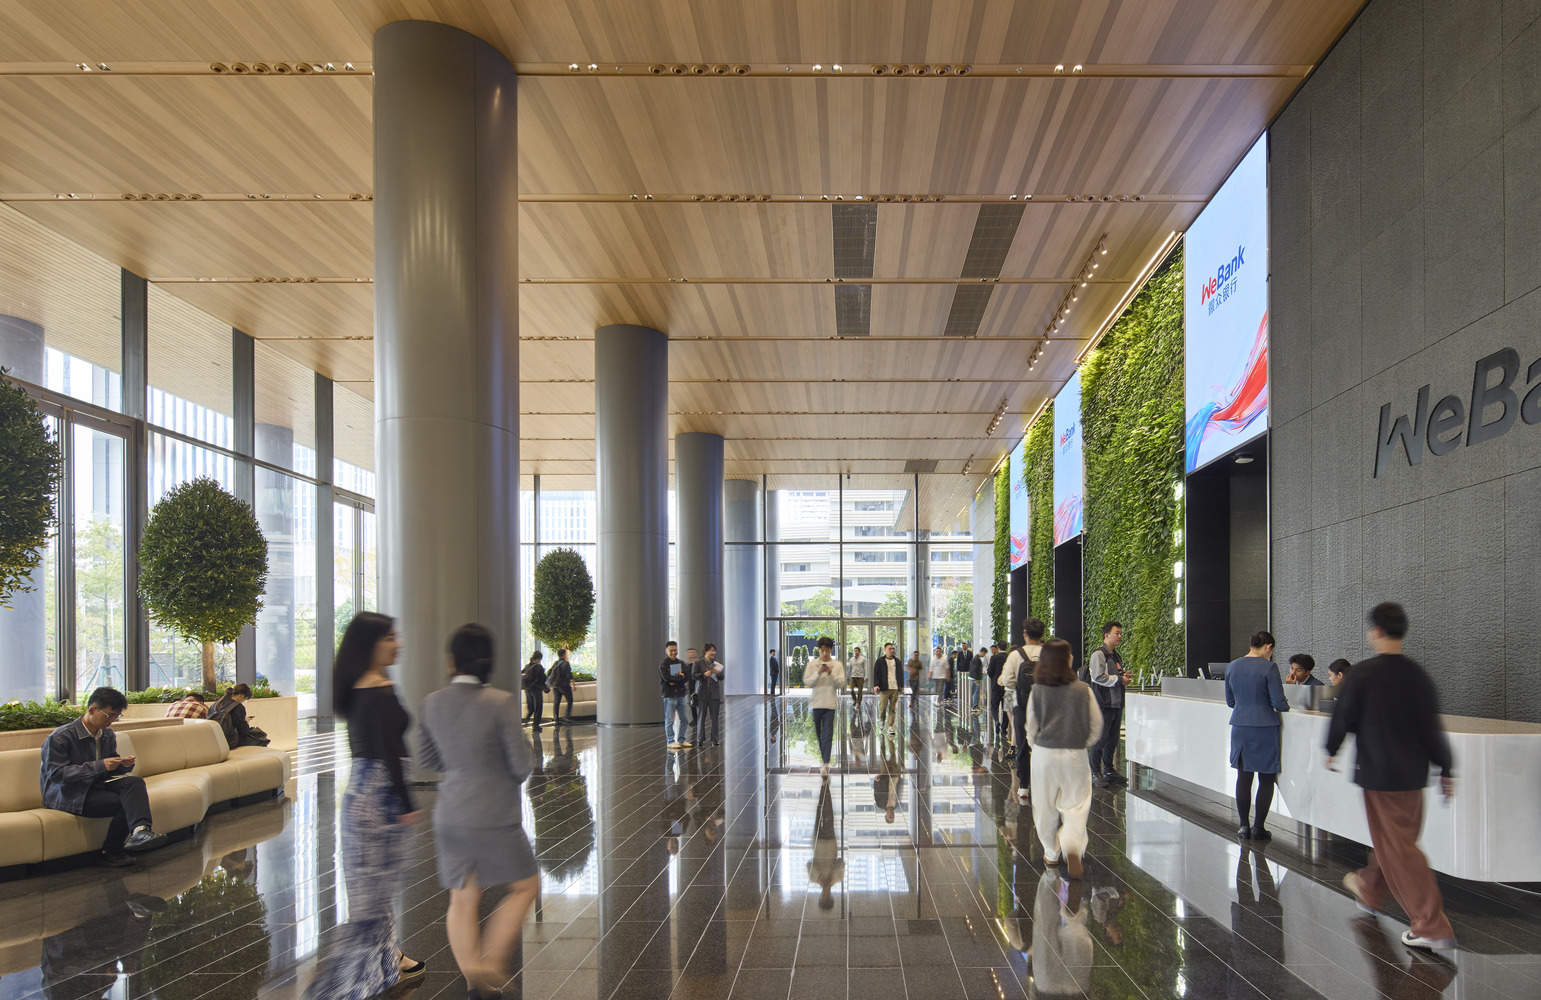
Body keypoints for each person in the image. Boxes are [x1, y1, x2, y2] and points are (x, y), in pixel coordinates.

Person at [303, 612, 424, 1000]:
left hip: (361, 796)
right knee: (371, 904)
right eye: (390, 638)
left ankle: (390, 960)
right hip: (380, 799)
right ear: (370, 645)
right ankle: (337, 989)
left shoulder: (360, 687)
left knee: (373, 897)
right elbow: (391, 752)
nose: (397, 644)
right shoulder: (378, 690)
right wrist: (406, 802)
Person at [417, 624, 539, 1000]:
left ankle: (474, 982)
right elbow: (520, 767)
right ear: (489, 661)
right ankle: (490, 962)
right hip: (494, 816)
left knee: (463, 897)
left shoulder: (432, 702)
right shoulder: (499, 702)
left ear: (452, 661)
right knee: (526, 886)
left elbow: (427, 758)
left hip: (451, 814)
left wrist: (461, 766)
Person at [1326, 602, 1456, 952]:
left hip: (1379, 775)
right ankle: (1370, 889)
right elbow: (1431, 728)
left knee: (1399, 848)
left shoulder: (1362, 675)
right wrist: (1446, 767)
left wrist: (1331, 748)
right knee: (1394, 840)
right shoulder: (1418, 676)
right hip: (1413, 775)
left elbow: (1343, 716)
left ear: (1376, 632)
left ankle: (1431, 925)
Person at [40, 687, 160, 866]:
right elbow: (57, 775)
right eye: (109, 715)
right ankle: (112, 852)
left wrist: (122, 765)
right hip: (68, 794)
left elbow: (107, 768)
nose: (111, 721)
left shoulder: (107, 735)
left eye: (116, 716)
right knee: (124, 803)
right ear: (92, 709)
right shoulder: (60, 737)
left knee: (134, 783)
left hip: (95, 786)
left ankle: (141, 831)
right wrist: (100, 765)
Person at [1025, 639, 1102, 878]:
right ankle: (1072, 847)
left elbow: (1031, 726)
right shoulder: (1083, 689)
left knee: (1044, 807)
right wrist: (1082, 743)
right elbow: (1096, 725)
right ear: (1067, 659)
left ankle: (1051, 852)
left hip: (1044, 755)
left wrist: (1037, 746)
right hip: (1074, 754)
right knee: (1076, 805)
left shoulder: (1037, 690)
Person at [1225, 631, 1289, 841]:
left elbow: (1230, 701)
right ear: (1268, 647)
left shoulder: (1232, 666)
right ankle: (1259, 827)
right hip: (1264, 727)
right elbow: (1279, 702)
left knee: (1244, 777)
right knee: (1266, 778)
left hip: (1240, 726)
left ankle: (1243, 826)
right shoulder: (1269, 667)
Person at [1002, 619, 1045, 804]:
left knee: (1022, 744)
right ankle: (1044, 784)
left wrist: (1020, 686)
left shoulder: (1015, 655)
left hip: (1021, 704)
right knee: (1043, 744)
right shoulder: (1048, 653)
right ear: (1043, 634)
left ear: (1025, 633)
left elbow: (1007, 680)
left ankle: (1024, 786)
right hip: (1044, 704)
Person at [1084, 621, 1127, 787]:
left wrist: (1124, 676)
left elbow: (1116, 674)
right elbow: (1098, 677)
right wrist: (1119, 679)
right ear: (1107, 635)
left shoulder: (1115, 655)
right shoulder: (1098, 654)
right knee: (1100, 739)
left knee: (1112, 739)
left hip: (1116, 702)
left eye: (1121, 633)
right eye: (1117, 633)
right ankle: (1095, 772)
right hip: (1103, 704)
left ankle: (1109, 770)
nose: (1120, 636)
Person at [807, 636, 846, 776]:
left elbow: (840, 684)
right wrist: (818, 673)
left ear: (831, 650)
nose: (824, 653)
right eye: (822, 650)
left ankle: (825, 763)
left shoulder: (837, 665)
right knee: (819, 735)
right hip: (816, 704)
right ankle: (825, 758)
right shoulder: (813, 664)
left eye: (827, 650)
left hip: (830, 704)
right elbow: (808, 682)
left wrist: (830, 673)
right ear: (819, 649)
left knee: (827, 734)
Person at [208, 683, 270, 748]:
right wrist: (246, 721)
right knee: (261, 737)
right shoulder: (238, 707)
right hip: (229, 741)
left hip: (214, 739)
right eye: (245, 699)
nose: (243, 701)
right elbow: (244, 731)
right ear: (241, 695)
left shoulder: (216, 704)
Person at [659, 641, 691, 749]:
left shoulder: (681, 663)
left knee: (684, 719)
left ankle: (682, 740)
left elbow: (686, 677)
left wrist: (676, 679)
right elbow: (667, 679)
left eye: (675, 650)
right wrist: (679, 677)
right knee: (670, 720)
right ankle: (670, 741)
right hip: (670, 695)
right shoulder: (663, 665)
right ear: (666, 651)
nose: (673, 652)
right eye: (671, 650)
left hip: (681, 694)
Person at [694, 643, 725, 746]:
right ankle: (700, 739)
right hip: (702, 694)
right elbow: (693, 676)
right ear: (705, 651)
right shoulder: (698, 663)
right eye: (711, 650)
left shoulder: (716, 664)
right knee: (701, 717)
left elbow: (722, 677)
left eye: (714, 650)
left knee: (715, 718)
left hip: (714, 694)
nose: (713, 653)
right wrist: (703, 675)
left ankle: (715, 739)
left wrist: (718, 673)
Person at [873, 642, 902, 734]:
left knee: (892, 708)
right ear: (884, 650)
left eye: (893, 649)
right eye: (890, 649)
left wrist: (901, 686)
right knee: (883, 707)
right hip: (884, 687)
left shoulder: (897, 661)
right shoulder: (879, 661)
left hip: (895, 688)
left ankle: (890, 726)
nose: (892, 650)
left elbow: (900, 674)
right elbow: (876, 674)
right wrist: (876, 685)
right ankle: (882, 720)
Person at [986, 642, 1009, 743]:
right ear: (1006, 647)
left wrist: (994, 679)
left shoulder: (994, 658)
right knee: (1006, 708)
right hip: (1007, 686)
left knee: (994, 706)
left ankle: (996, 721)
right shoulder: (1009, 657)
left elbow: (989, 671)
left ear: (998, 648)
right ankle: (1004, 728)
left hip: (996, 685)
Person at [520, 650, 547, 732]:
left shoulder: (527, 666)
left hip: (528, 689)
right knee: (538, 708)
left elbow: (521, 674)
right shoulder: (539, 667)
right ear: (539, 658)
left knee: (531, 708)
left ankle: (526, 720)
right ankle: (536, 726)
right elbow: (543, 679)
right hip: (536, 690)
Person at [548, 647, 574, 724]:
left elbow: (549, 672)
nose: (567, 655)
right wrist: (572, 684)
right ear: (563, 655)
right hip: (564, 686)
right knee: (570, 701)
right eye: (566, 653)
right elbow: (568, 675)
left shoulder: (556, 663)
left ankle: (556, 718)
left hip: (556, 686)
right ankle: (567, 717)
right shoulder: (566, 663)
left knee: (556, 702)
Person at [684, 645, 701, 730]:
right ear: (687, 654)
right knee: (692, 704)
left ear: (696, 654)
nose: (691, 654)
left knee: (700, 705)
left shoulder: (700, 664)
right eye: (690, 653)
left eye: (693, 652)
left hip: (700, 688)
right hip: (690, 688)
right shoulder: (686, 666)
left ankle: (700, 720)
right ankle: (695, 720)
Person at [847, 645, 868, 709]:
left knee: (859, 691)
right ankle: (854, 700)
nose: (855, 652)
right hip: (853, 676)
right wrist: (848, 676)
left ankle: (858, 702)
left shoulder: (863, 659)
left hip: (860, 677)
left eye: (857, 651)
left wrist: (866, 676)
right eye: (855, 651)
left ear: (859, 652)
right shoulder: (851, 659)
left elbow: (865, 668)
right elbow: (850, 668)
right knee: (851, 690)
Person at [967, 641, 985, 714]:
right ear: (982, 652)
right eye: (984, 653)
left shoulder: (976, 658)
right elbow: (974, 669)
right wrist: (976, 679)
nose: (984, 655)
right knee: (976, 693)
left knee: (975, 692)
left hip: (974, 678)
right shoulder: (976, 659)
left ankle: (974, 706)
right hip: (975, 678)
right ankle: (974, 707)